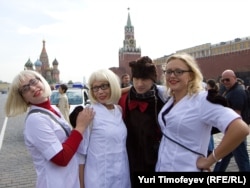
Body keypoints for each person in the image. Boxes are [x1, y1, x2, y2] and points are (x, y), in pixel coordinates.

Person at [155, 53, 249, 172]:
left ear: (191, 75)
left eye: (179, 71)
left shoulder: (202, 101)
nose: (172, 76)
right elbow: (148, 86)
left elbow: (240, 129)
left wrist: (211, 159)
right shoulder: (171, 100)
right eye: (168, 72)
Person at [4, 70, 95, 188]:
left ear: (42, 81)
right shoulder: (35, 120)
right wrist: (80, 127)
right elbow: (61, 158)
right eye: (25, 89)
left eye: (33, 81)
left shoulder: (52, 110)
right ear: (24, 98)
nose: (32, 88)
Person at [118, 56, 168, 187]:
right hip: (129, 159)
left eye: (144, 79)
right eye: (136, 79)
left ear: (152, 79)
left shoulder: (164, 99)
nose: (139, 84)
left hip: (157, 158)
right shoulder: (123, 99)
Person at [79, 69, 131, 188]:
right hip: (98, 179)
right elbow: (80, 155)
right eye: (95, 88)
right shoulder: (89, 113)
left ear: (112, 86)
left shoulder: (118, 110)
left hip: (121, 176)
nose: (100, 92)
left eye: (104, 86)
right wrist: (81, 185)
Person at [213, 69, 250, 172]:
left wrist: (232, 134)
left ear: (234, 78)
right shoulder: (231, 91)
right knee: (224, 155)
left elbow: (236, 116)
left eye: (227, 80)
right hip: (232, 131)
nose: (225, 82)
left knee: (242, 160)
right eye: (222, 80)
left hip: (235, 132)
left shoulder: (237, 93)